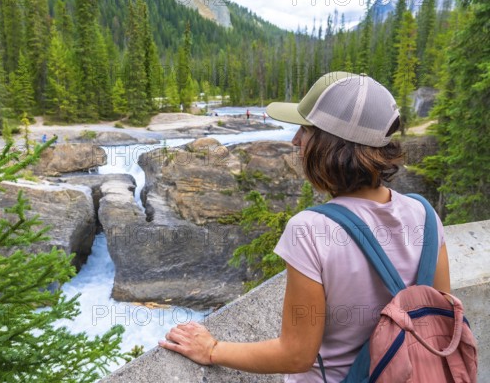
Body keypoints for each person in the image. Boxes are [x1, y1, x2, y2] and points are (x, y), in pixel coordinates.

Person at [159, 72, 450, 382]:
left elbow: (297, 354)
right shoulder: (425, 214)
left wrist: (212, 349)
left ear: (329, 144)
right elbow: (441, 316)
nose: (295, 139)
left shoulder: (310, 229)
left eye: (306, 129)